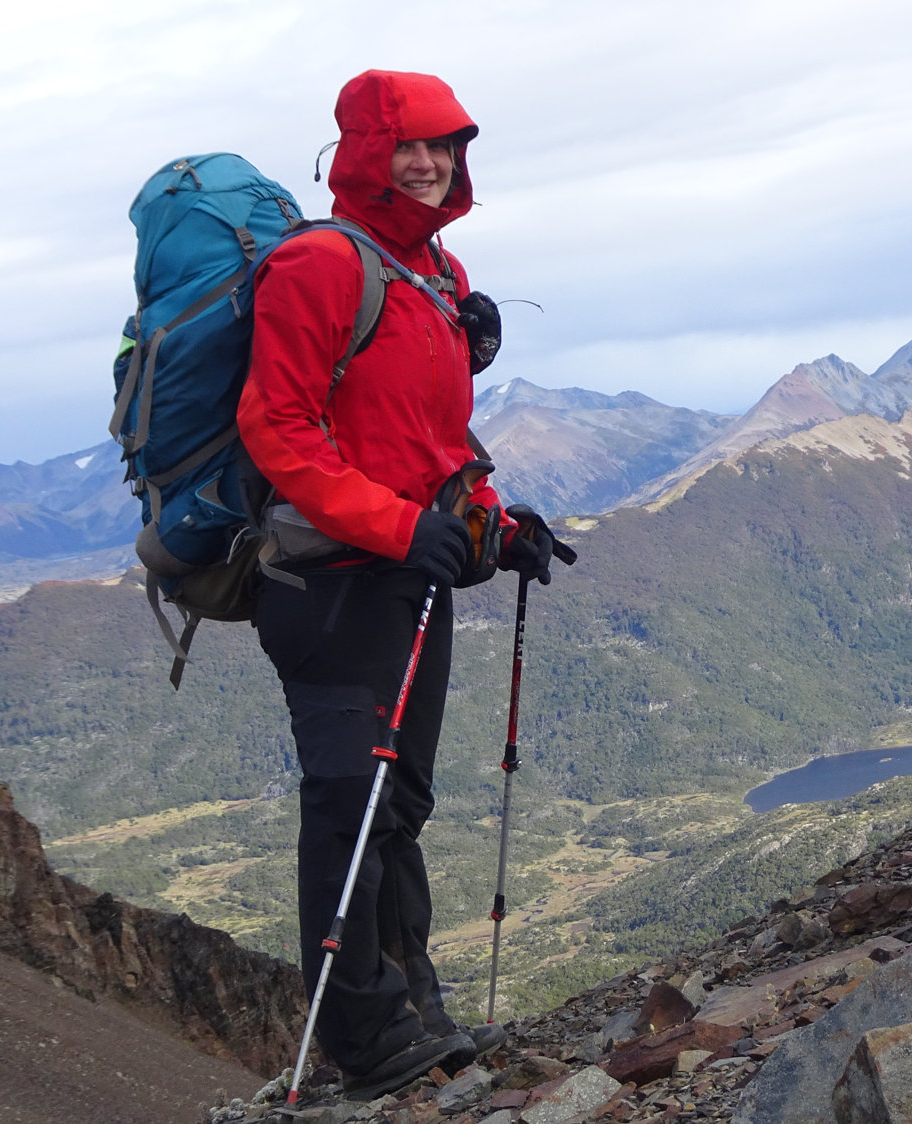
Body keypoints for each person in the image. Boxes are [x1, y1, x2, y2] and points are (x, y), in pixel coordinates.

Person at [237, 69, 562, 1098]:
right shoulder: (318, 265)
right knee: (350, 801)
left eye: (445, 145)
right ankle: (368, 1038)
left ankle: (410, 1001)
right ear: (361, 152)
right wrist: (397, 527)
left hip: (403, 570)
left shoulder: (434, 270)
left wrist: (493, 525)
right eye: (406, 146)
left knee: (399, 801)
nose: (427, 164)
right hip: (328, 584)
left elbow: (425, 440)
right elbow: (276, 427)